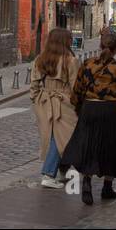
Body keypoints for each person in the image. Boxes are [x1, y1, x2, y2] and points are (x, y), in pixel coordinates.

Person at [62, 29, 116, 204]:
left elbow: (77, 91)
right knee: (112, 147)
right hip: (113, 111)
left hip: (90, 108)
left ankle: (87, 183)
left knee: (90, 146)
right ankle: (107, 186)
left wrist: (80, 108)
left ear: (100, 45)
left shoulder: (87, 64)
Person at [29, 27, 79, 190]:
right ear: (65, 41)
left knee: (55, 136)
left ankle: (62, 170)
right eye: (70, 38)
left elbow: (34, 84)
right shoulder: (70, 60)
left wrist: (36, 99)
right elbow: (75, 86)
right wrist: (78, 104)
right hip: (63, 102)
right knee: (60, 138)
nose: (72, 40)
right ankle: (48, 174)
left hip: (44, 101)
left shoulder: (40, 59)